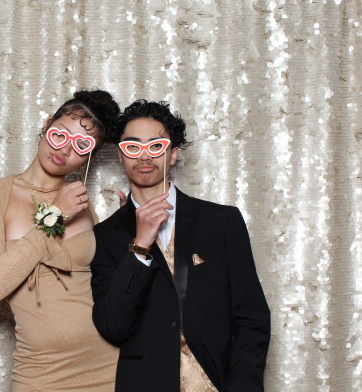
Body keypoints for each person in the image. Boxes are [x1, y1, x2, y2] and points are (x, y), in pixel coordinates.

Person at [91, 100, 271, 392]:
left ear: (173, 154)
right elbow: (113, 325)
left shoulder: (221, 222)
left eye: (156, 146)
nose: (144, 155)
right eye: (133, 147)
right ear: (121, 156)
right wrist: (140, 246)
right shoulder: (105, 236)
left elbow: (251, 317)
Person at [0, 90, 120, 391]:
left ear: (89, 156)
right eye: (60, 134)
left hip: (109, 366)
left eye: (81, 145)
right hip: (41, 372)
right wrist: (54, 215)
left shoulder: (82, 202)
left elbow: (106, 282)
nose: (65, 149)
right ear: (47, 124)